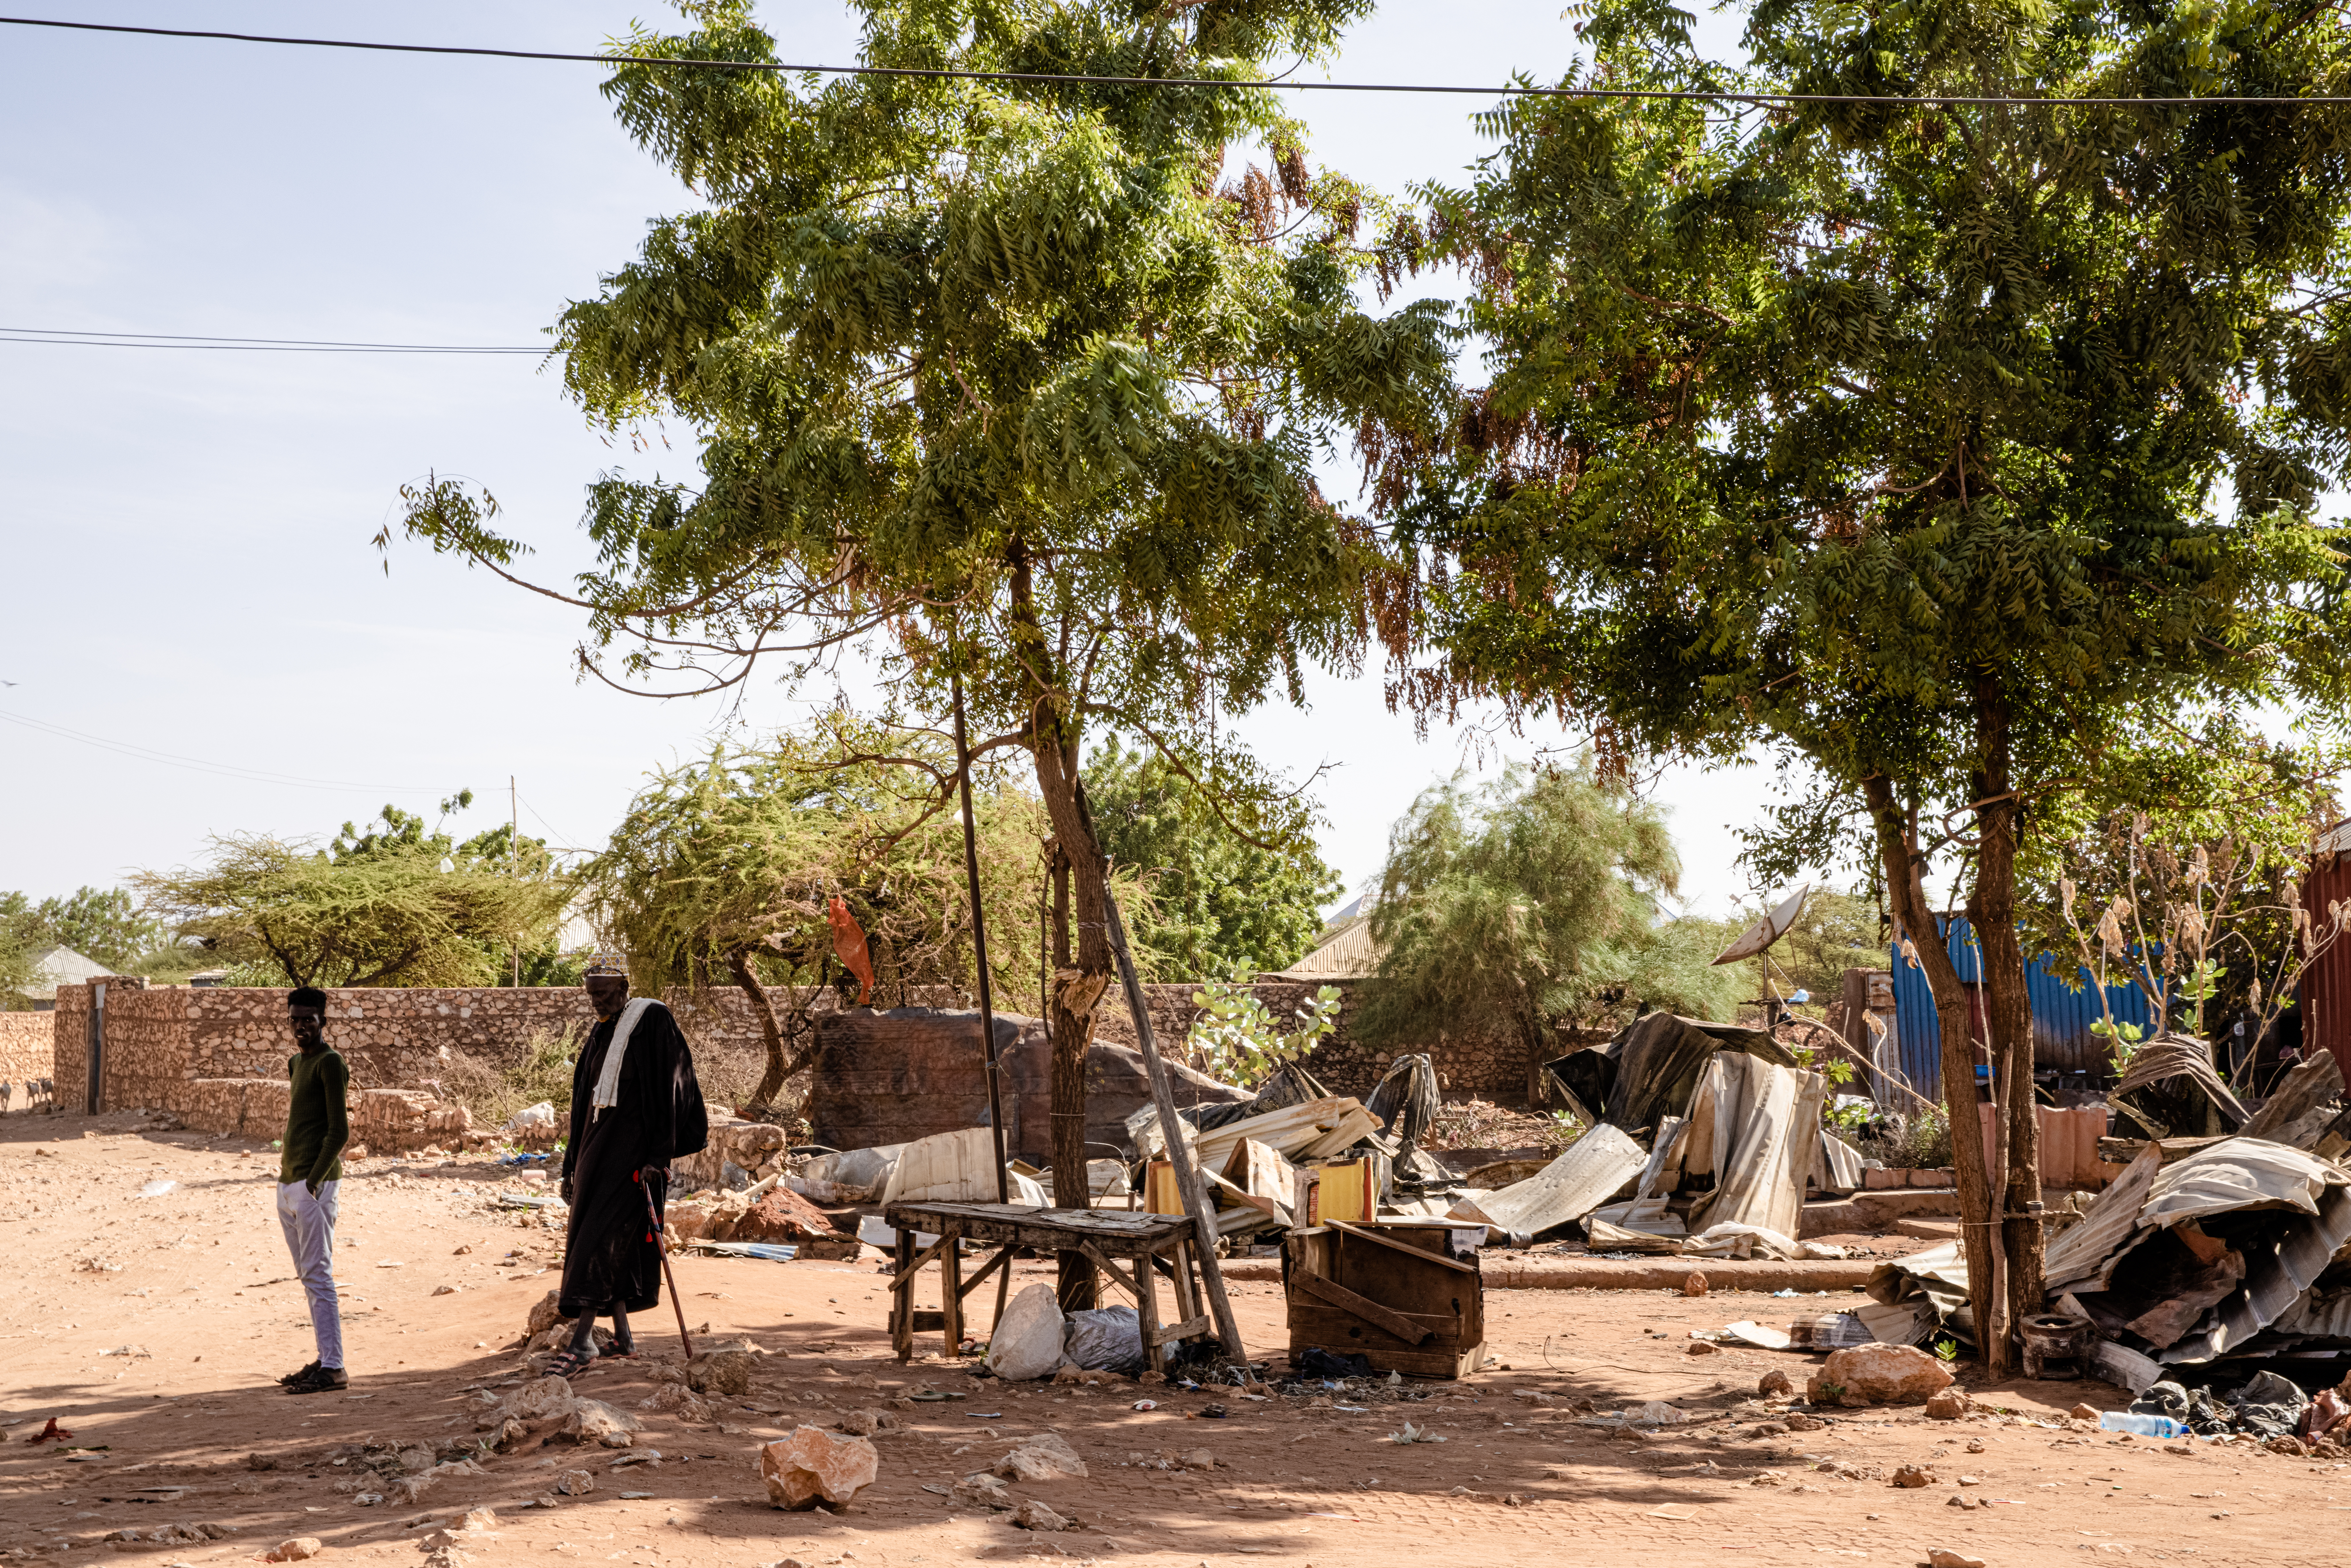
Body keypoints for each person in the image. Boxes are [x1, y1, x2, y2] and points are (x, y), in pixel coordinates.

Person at [551, 960, 708, 1378]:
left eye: (604, 992)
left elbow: (675, 1086)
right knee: (602, 1235)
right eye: (591, 993)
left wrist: (659, 1156)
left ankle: (583, 1342)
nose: (597, 1000)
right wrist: (570, 1166)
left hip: (634, 1158)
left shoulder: (651, 1019)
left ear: (623, 987)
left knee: (600, 1238)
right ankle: (623, 1337)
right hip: (595, 1154)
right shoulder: (602, 1031)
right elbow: (583, 1102)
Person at [276, 985, 350, 1395]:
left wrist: (313, 1181)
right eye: (296, 1020)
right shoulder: (295, 1063)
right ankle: (325, 1357)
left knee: (319, 1275)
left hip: (313, 1185)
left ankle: (335, 1368)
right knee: (308, 1276)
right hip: (290, 1183)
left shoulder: (330, 1063)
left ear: (323, 1021)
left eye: (309, 1019)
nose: (302, 1026)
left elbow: (340, 1131)